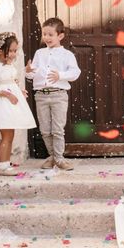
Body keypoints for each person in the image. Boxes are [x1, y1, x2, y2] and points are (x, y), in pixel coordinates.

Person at [25, 18, 81, 170]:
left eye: (50, 34)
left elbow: (75, 72)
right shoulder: (39, 53)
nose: (47, 38)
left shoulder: (67, 54)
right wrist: (28, 72)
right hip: (41, 95)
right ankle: (52, 156)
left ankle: (59, 158)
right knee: (44, 129)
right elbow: (32, 74)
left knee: (57, 129)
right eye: (44, 34)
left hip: (58, 95)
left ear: (60, 36)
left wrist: (60, 76)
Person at [0, 32, 36, 176]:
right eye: (10, 51)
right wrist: (8, 94)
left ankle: (5, 164)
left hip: (10, 104)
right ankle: (2, 166)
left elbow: (12, 82)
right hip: (2, 105)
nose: (13, 54)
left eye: (15, 51)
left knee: (10, 135)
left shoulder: (8, 66)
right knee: (6, 136)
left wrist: (19, 91)